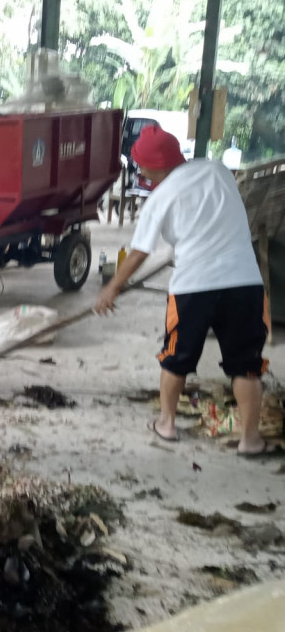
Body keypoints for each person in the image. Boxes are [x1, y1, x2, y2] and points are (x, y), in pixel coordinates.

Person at [95, 125, 273, 457]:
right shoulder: (218, 170)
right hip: (244, 282)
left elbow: (139, 253)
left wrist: (111, 289)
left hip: (194, 286)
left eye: (140, 164)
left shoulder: (159, 199)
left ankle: (166, 424)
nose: (139, 170)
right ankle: (250, 440)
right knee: (246, 364)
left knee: (176, 358)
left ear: (149, 167)